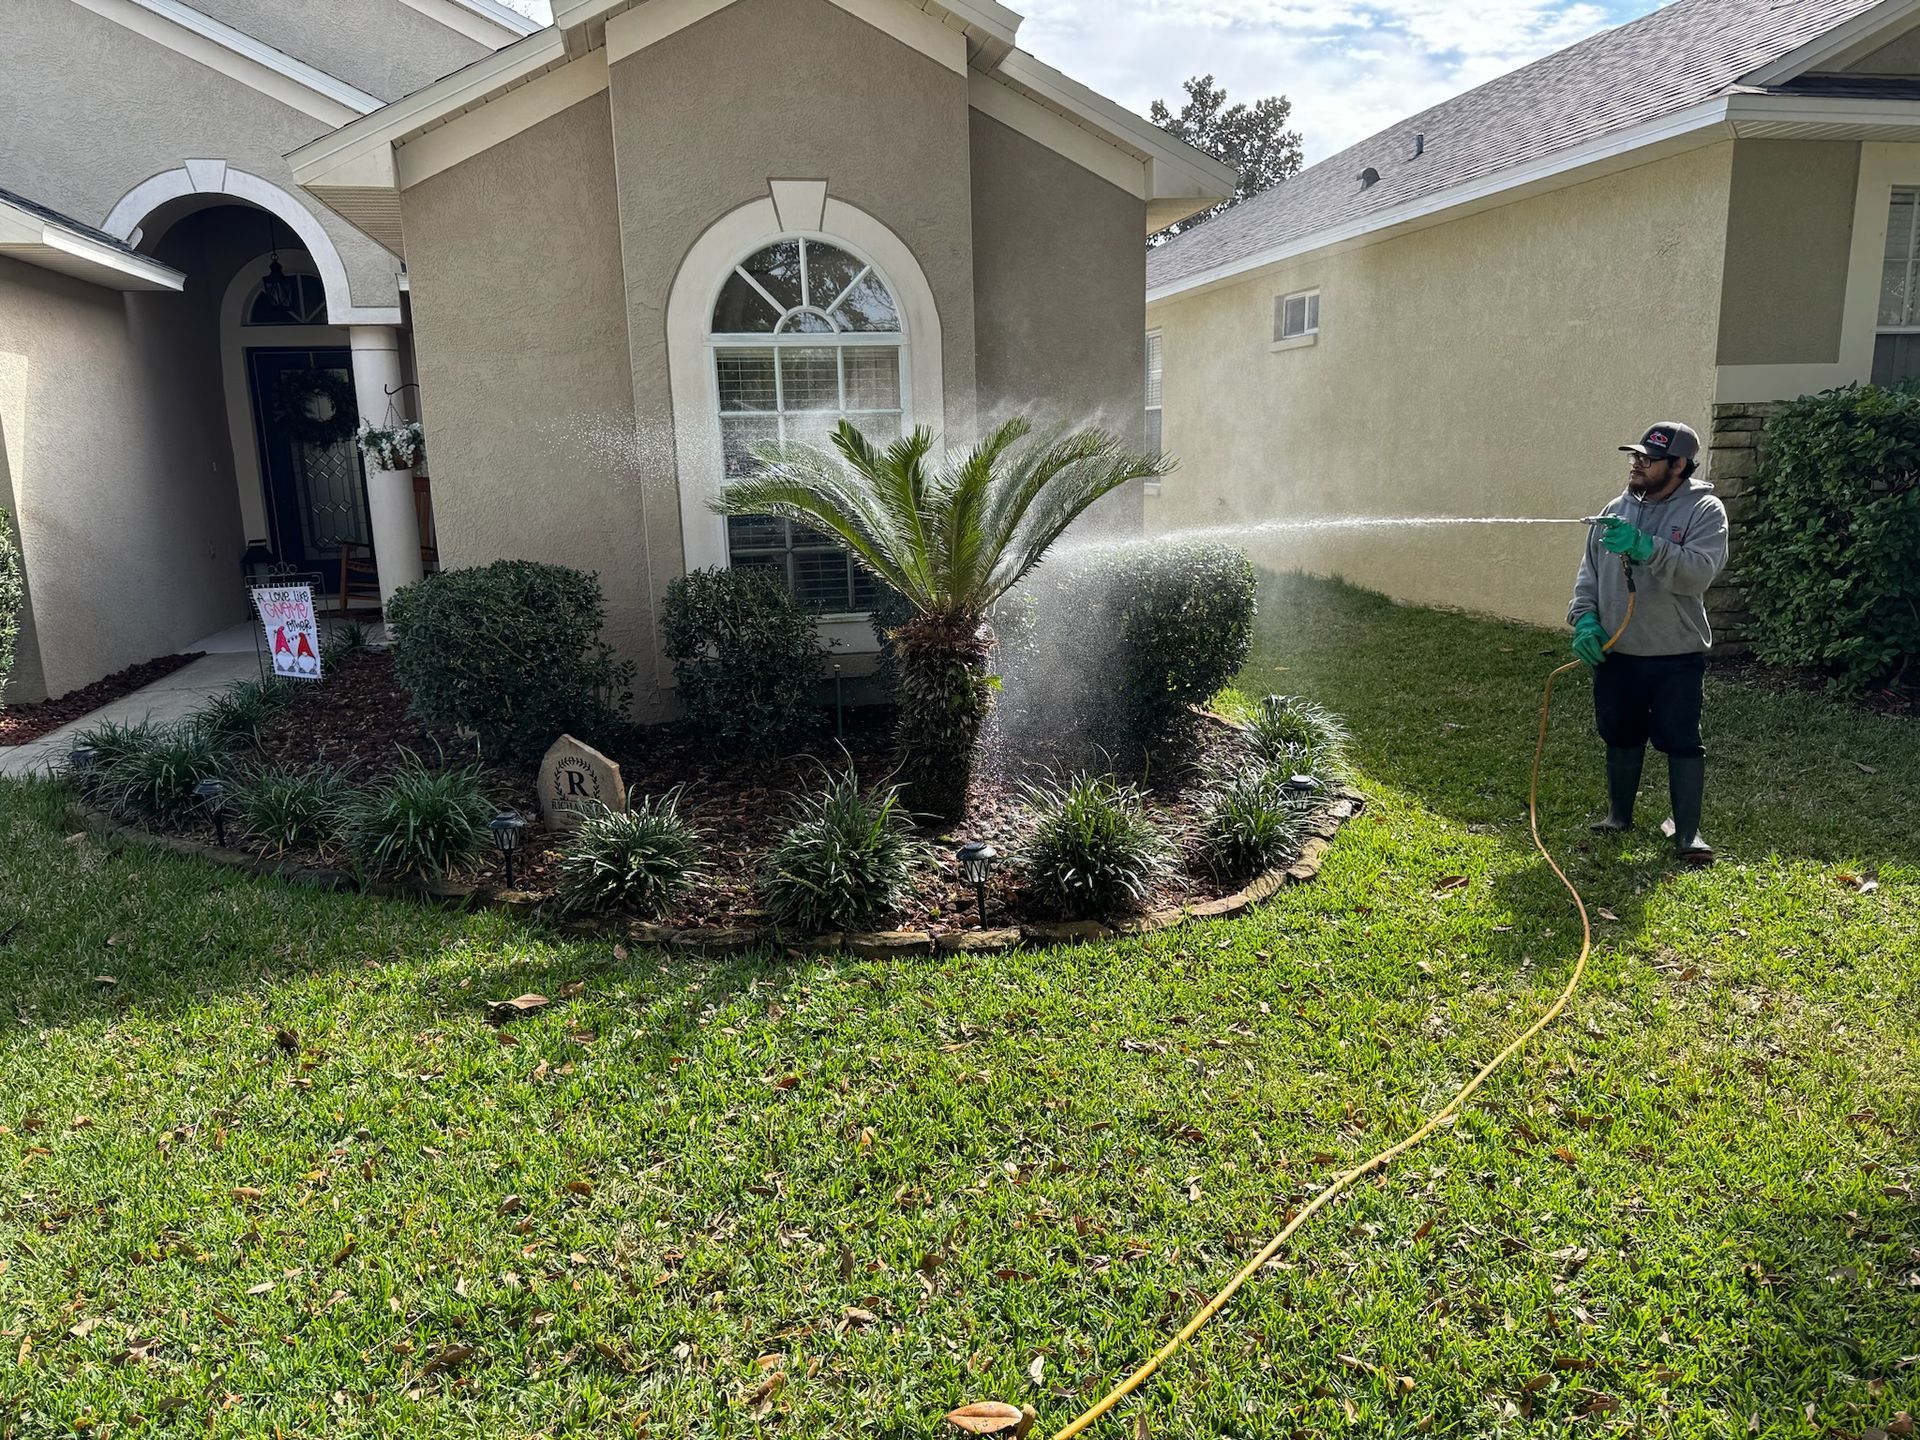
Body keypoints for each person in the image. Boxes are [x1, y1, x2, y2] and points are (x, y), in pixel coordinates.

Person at [1568, 421, 1729, 865]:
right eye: (1634, 456)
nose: (1637, 464)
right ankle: (1618, 816)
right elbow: (1589, 577)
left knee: (1681, 740)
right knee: (1619, 733)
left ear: (1678, 465)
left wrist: (1645, 546)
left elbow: (1698, 573)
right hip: (1617, 652)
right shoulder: (1614, 508)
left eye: (1649, 458)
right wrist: (1584, 620)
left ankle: (1689, 836)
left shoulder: (1705, 511)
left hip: (1675, 653)